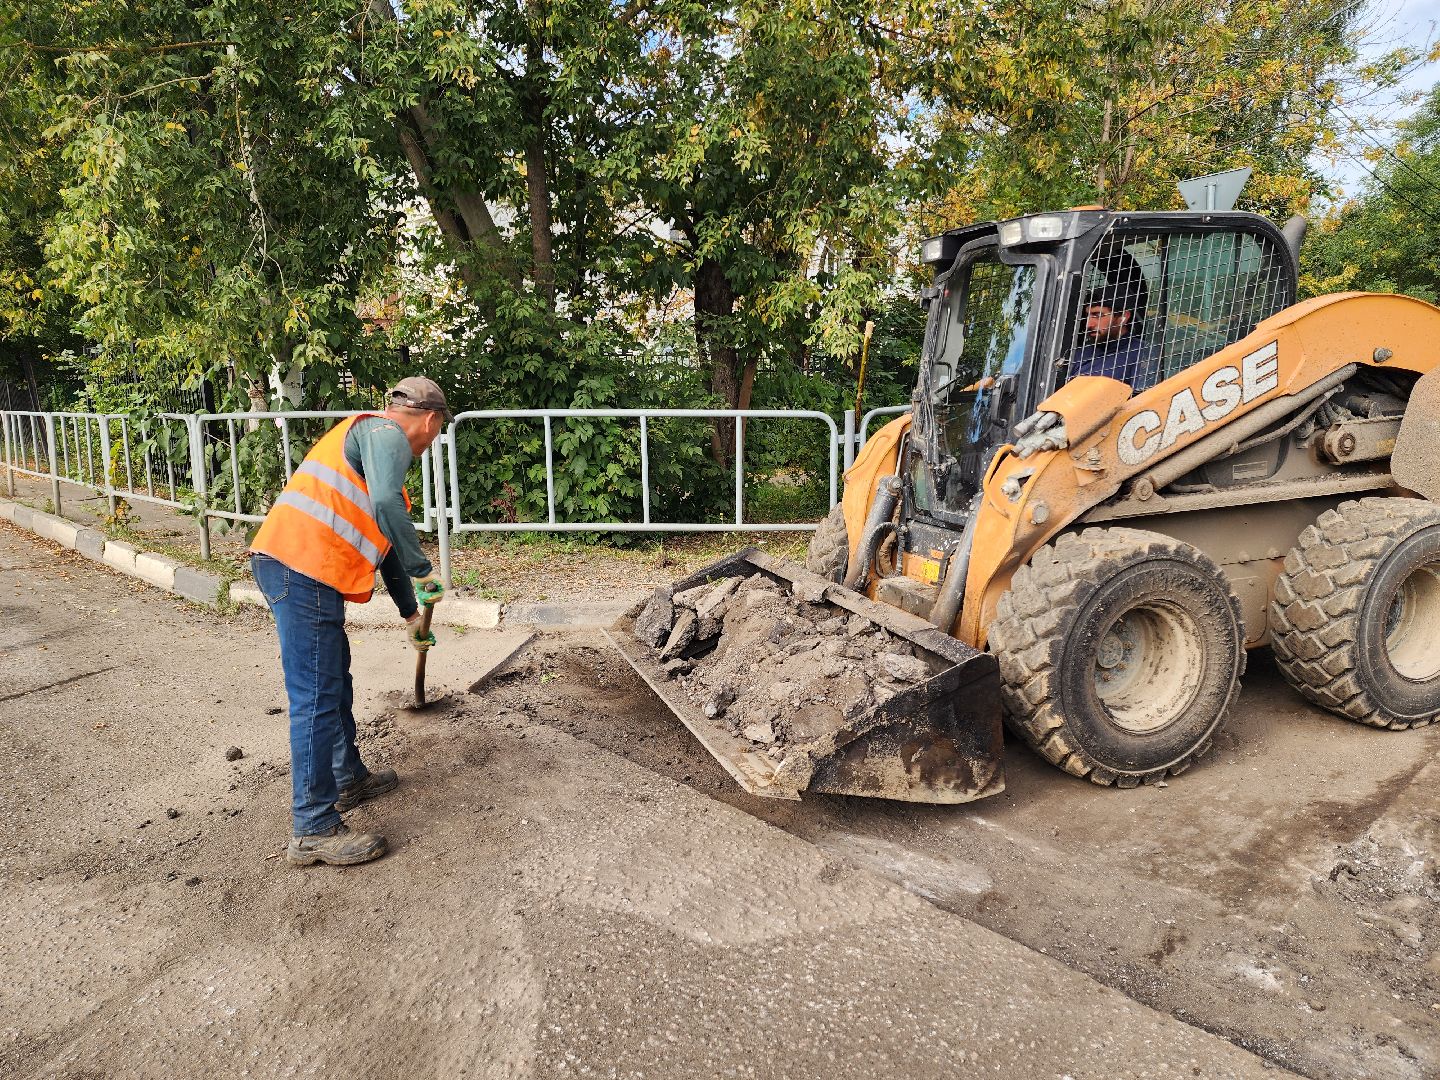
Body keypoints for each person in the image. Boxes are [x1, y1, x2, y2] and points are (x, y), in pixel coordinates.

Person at [250, 377, 451, 867]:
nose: (428, 446)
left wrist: (410, 614)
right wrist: (425, 569)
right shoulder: (384, 435)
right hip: (301, 568)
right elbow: (384, 508)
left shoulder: (375, 465)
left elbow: (384, 550)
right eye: (435, 434)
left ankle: (346, 778)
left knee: (333, 683)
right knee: (317, 696)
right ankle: (313, 826)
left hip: (305, 571)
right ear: (430, 420)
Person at [1069, 271, 1155, 389]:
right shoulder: (1078, 354)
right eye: (1087, 316)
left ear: (1123, 317)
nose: (1088, 324)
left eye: (1097, 315)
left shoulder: (1143, 354)